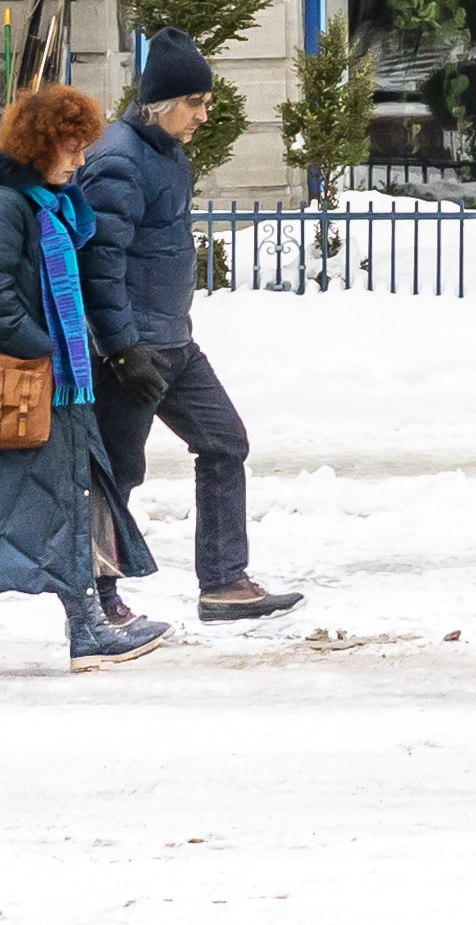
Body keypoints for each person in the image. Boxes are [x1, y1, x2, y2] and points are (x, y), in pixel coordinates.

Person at [0, 81, 166, 676]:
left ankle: (87, 626)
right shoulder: (0, 205)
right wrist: (48, 352)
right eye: (73, 147)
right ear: (39, 146)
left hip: (51, 381)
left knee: (72, 497)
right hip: (6, 383)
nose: (82, 160)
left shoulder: (47, 203)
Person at [74, 31, 304, 624]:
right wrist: (123, 351)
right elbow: (100, 268)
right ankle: (98, 604)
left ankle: (223, 582)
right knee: (116, 472)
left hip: (174, 342)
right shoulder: (118, 159)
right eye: (196, 102)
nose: (204, 114)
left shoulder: (164, 154)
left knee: (225, 441)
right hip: (132, 350)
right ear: (161, 101)